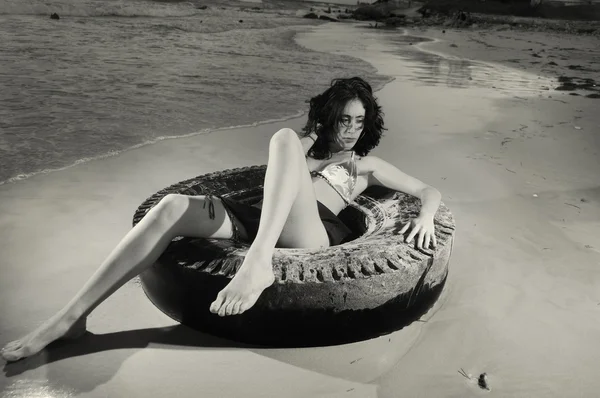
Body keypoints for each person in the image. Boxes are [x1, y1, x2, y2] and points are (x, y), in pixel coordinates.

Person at [1, 77, 441, 362]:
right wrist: (314, 136)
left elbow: (427, 189)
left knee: (283, 136)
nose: (350, 129)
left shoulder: (364, 165)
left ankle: (258, 264)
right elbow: (279, 177)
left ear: (369, 125)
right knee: (172, 205)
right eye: (342, 119)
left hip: (316, 230)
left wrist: (425, 216)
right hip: (263, 218)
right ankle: (72, 317)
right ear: (329, 117)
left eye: (358, 121)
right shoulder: (305, 149)